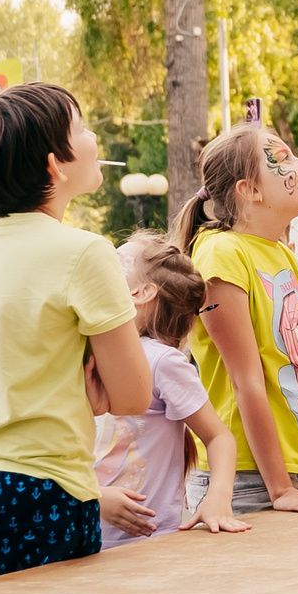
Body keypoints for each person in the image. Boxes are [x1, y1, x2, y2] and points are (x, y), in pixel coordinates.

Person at [0, 83, 154, 587]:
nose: (93, 136)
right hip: (39, 487)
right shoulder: (83, 252)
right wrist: (92, 388)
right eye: (81, 126)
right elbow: (134, 394)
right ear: (55, 165)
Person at [175, 125, 298, 516]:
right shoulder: (221, 255)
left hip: (292, 475)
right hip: (245, 481)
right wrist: (281, 489)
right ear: (250, 189)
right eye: (284, 159)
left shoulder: (281, 254)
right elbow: (244, 380)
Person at [93, 235, 247, 548]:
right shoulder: (90, 353)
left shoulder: (162, 361)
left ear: (141, 293)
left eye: (115, 265)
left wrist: (216, 499)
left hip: (149, 542)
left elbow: (218, 437)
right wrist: (93, 498)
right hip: (86, 535)